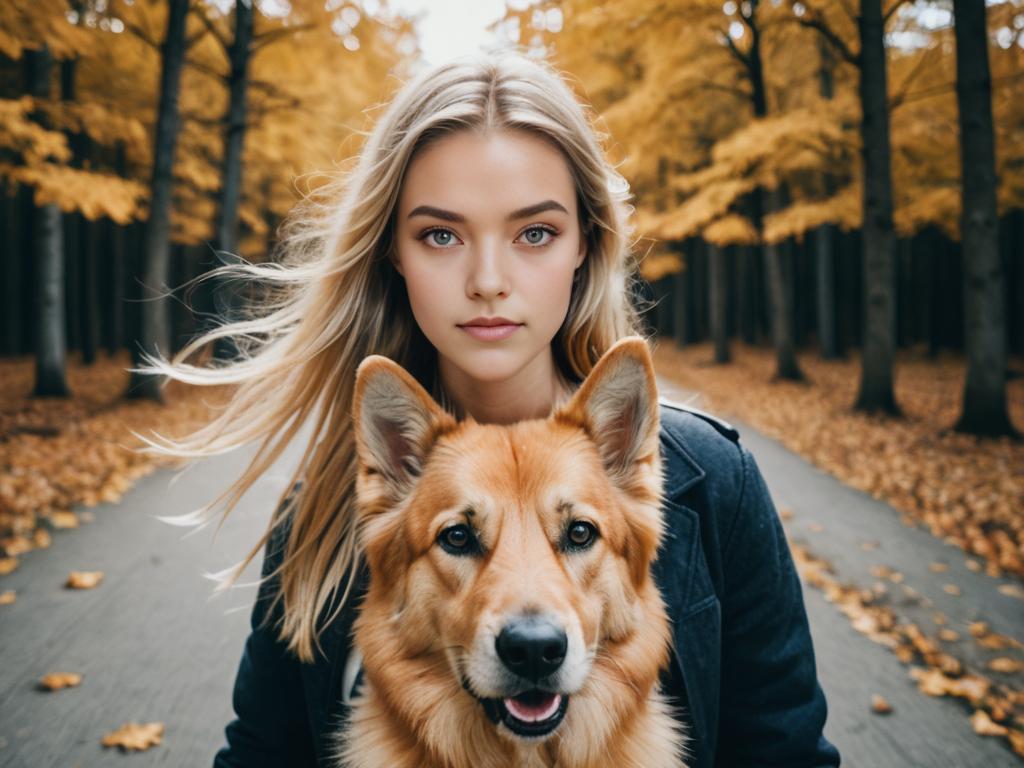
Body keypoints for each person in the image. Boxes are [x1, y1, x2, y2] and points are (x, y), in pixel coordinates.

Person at [142, 52, 840, 767]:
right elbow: (262, 754)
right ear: (394, 254)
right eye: (440, 235)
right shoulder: (325, 507)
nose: (487, 282)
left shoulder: (714, 481)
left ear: (586, 247)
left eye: (534, 232)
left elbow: (785, 751)